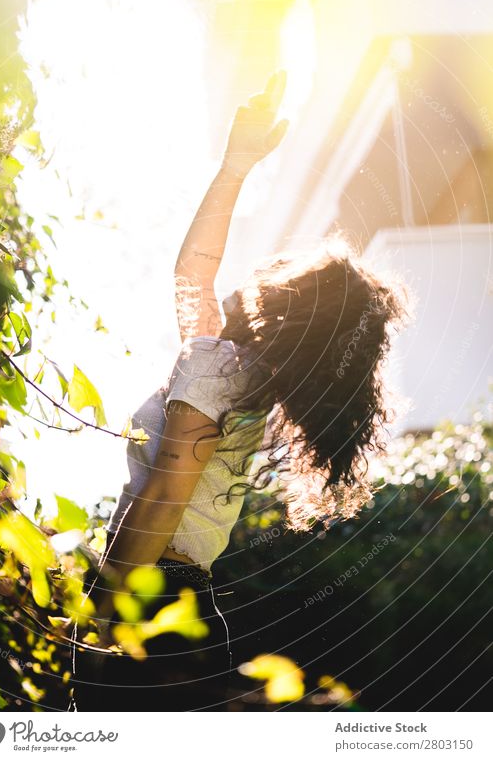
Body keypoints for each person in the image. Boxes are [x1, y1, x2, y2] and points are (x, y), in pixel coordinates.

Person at [71, 71, 408, 712]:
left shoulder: (219, 370)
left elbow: (167, 494)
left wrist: (103, 611)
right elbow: (191, 274)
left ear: (288, 304)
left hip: (152, 595)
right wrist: (236, 167)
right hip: (183, 607)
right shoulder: (241, 378)